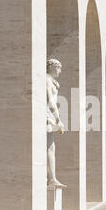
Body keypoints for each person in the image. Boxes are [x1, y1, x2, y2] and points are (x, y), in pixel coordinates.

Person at [46, 59, 66, 188]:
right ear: (51, 67)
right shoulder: (47, 80)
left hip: (50, 115)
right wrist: (57, 118)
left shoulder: (52, 81)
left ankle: (52, 177)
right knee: (49, 147)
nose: (59, 70)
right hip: (47, 114)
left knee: (51, 147)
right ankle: (51, 178)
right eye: (58, 67)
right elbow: (49, 99)